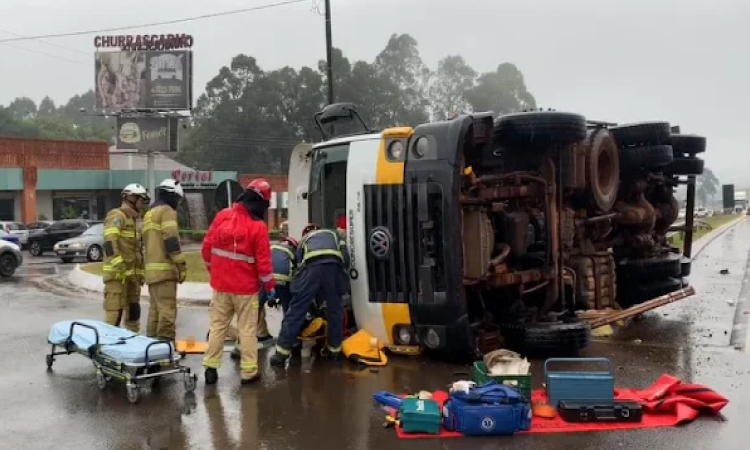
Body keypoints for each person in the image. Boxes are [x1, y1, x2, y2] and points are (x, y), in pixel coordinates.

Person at [201, 178, 275, 385]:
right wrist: (269, 287)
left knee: (217, 327)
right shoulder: (257, 227)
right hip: (245, 289)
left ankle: (210, 367)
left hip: (221, 286)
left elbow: (206, 250)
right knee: (247, 330)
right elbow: (263, 264)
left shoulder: (222, 217)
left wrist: (213, 271)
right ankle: (248, 372)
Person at [270, 223, 349, 367]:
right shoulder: (334, 235)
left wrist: (299, 294)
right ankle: (334, 352)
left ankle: (280, 355)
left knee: (296, 311)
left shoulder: (304, 240)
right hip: (332, 267)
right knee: (335, 311)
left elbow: (300, 268)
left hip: (311, 268)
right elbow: (345, 257)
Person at [143, 179, 187, 343]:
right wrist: (181, 265)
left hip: (151, 272)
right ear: (172, 196)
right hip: (164, 272)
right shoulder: (167, 211)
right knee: (167, 310)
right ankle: (166, 347)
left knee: (155, 311)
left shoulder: (149, 213)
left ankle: (150, 347)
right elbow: (171, 240)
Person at [102, 183, 150, 332]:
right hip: (117, 276)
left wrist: (140, 273)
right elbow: (110, 242)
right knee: (114, 312)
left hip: (132, 277)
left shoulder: (135, 221)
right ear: (131, 198)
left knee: (134, 312)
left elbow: (137, 250)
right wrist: (119, 264)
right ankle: (106, 343)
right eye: (141, 200)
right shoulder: (117, 216)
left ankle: (133, 342)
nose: (142, 204)